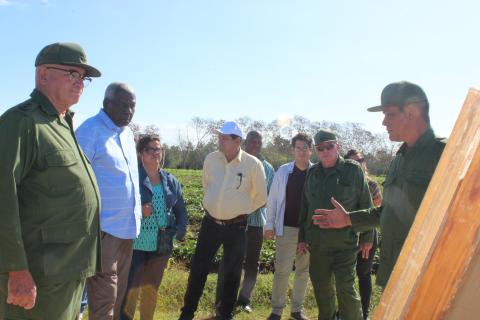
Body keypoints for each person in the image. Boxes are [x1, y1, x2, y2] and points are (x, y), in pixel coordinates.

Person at [0, 42, 101, 319]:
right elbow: (2, 198)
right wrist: (16, 269)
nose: (80, 82)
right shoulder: (22, 123)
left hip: (68, 270)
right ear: (44, 74)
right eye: (72, 73)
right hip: (38, 276)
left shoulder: (62, 123)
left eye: (84, 78)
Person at [313, 81, 447, 290]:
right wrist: (349, 218)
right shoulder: (399, 160)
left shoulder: (446, 155)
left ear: (411, 112)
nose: (384, 122)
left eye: (390, 114)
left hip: (430, 277)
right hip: (396, 271)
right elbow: (387, 213)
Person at [179, 121, 268, 320]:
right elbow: (207, 185)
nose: (220, 140)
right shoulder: (211, 159)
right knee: (198, 270)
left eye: (225, 138)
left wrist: (241, 210)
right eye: (219, 136)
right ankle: (187, 313)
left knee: (232, 274)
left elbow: (261, 197)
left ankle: (225, 314)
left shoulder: (253, 165)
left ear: (238, 141)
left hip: (237, 227)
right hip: (210, 223)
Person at [76, 82, 141, 320]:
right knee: (104, 300)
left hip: (127, 230)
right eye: (123, 105)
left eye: (132, 106)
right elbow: (75, 183)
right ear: (106, 104)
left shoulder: (127, 133)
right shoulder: (89, 131)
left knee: (117, 298)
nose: (128, 111)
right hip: (103, 232)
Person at [298, 129, 374, 320]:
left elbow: (366, 204)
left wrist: (367, 237)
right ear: (316, 151)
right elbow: (305, 207)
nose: (325, 151)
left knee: (345, 288)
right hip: (319, 244)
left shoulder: (353, 170)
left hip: (345, 244)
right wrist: (302, 237)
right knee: (322, 289)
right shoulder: (312, 173)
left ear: (337, 147)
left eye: (329, 146)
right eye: (320, 148)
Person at [121, 134, 188, 320]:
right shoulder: (132, 178)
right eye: (149, 149)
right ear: (140, 153)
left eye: (157, 149)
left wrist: (178, 232)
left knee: (151, 290)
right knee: (131, 291)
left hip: (162, 243)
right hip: (136, 244)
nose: (154, 153)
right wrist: (138, 211)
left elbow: (181, 211)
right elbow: (120, 207)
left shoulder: (170, 181)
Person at [215, 130, 275, 314]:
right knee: (229, 261)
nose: (256, 145)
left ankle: (244, 299)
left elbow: (268, 198)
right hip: (234, 222)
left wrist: (248, 200)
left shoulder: (268, 168)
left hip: (256, 223)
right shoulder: (235, 162)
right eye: (252, 141)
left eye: (259, 142)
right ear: (244, 143)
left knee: (252, 264)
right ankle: (221, 300)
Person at [264, 133, 313, 320]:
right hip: (286, 228)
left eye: (305, 148)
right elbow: (273, 200)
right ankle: (276, 310)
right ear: (293, 150)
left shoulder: (316, 172)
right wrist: (269, 224)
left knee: (303, 270)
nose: (301, 152)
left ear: (311, 150)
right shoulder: (283, 172)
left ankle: (296, 311)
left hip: (308, 231)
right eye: (298, 148)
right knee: (282, 270)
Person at [344, 149, 382, 320]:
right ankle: (345, 312)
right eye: (353, 162)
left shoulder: (372, 185)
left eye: (360, 160)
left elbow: (376, 213)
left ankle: (364, 314)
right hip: (346, 236)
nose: (358, 164)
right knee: (345, 276)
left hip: (368, 236)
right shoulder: (342, 184)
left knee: (364, 274)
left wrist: (367, 238)